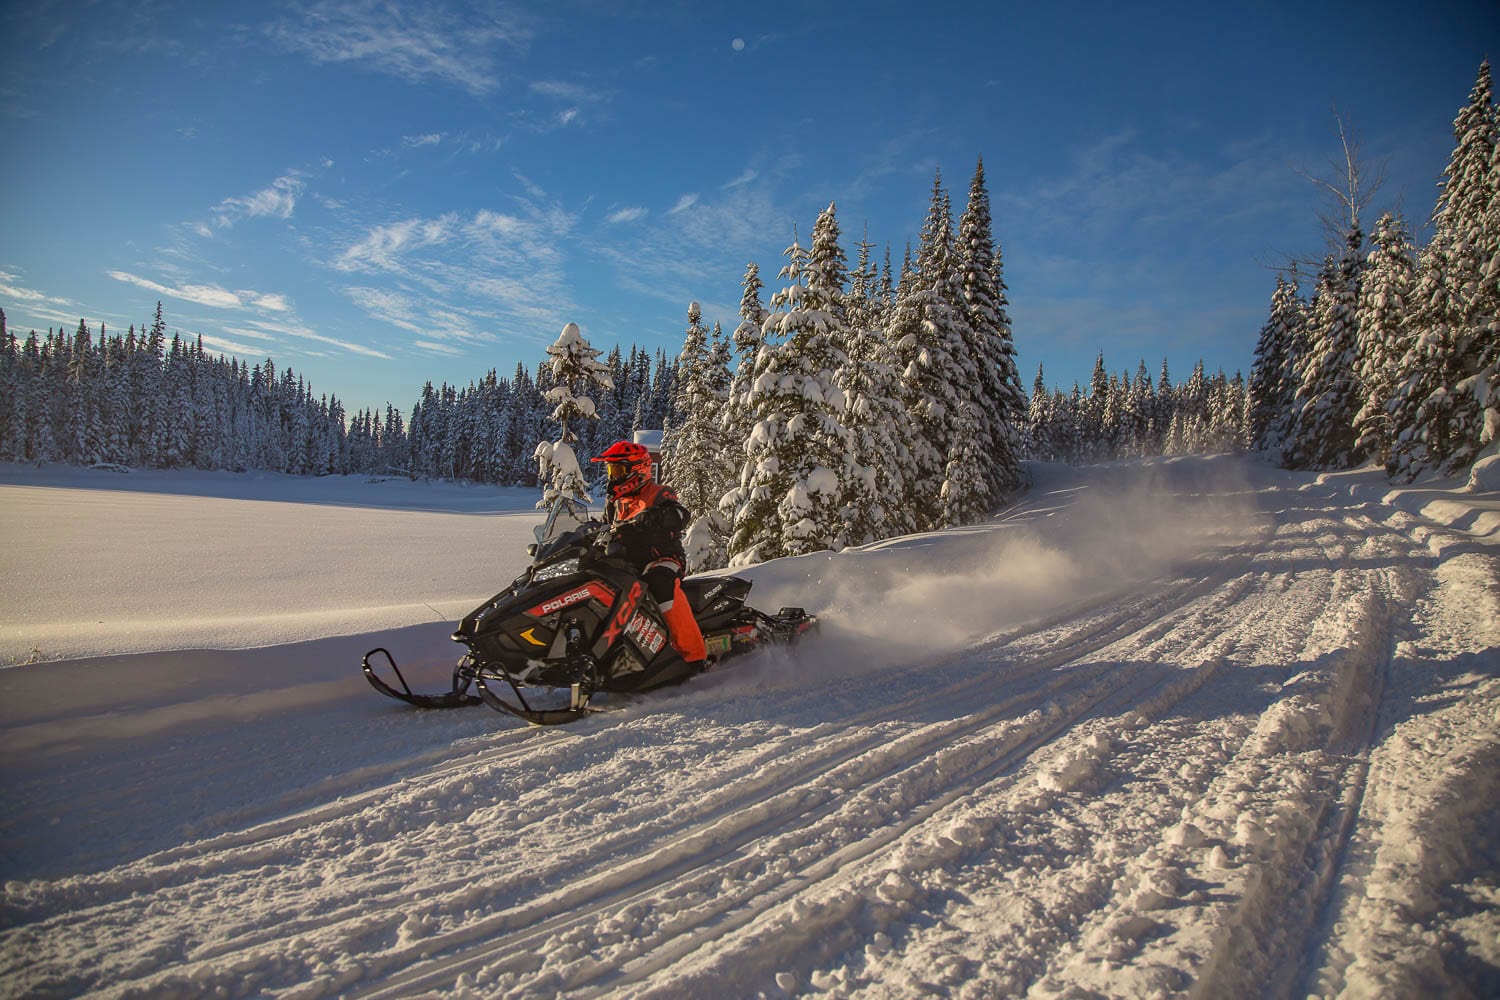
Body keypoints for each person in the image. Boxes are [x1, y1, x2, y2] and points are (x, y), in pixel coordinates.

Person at [590, 440, 707, 668]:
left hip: (661, 557)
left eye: (619, 469)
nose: (613, 475)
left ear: (637, 469)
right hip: (626, 561)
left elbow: (680, 514)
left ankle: (693, 656)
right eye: (611, 470)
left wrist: (658, 517)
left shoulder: (658, 493)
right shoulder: (615, 502)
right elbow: (605, 526)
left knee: (660, 583)